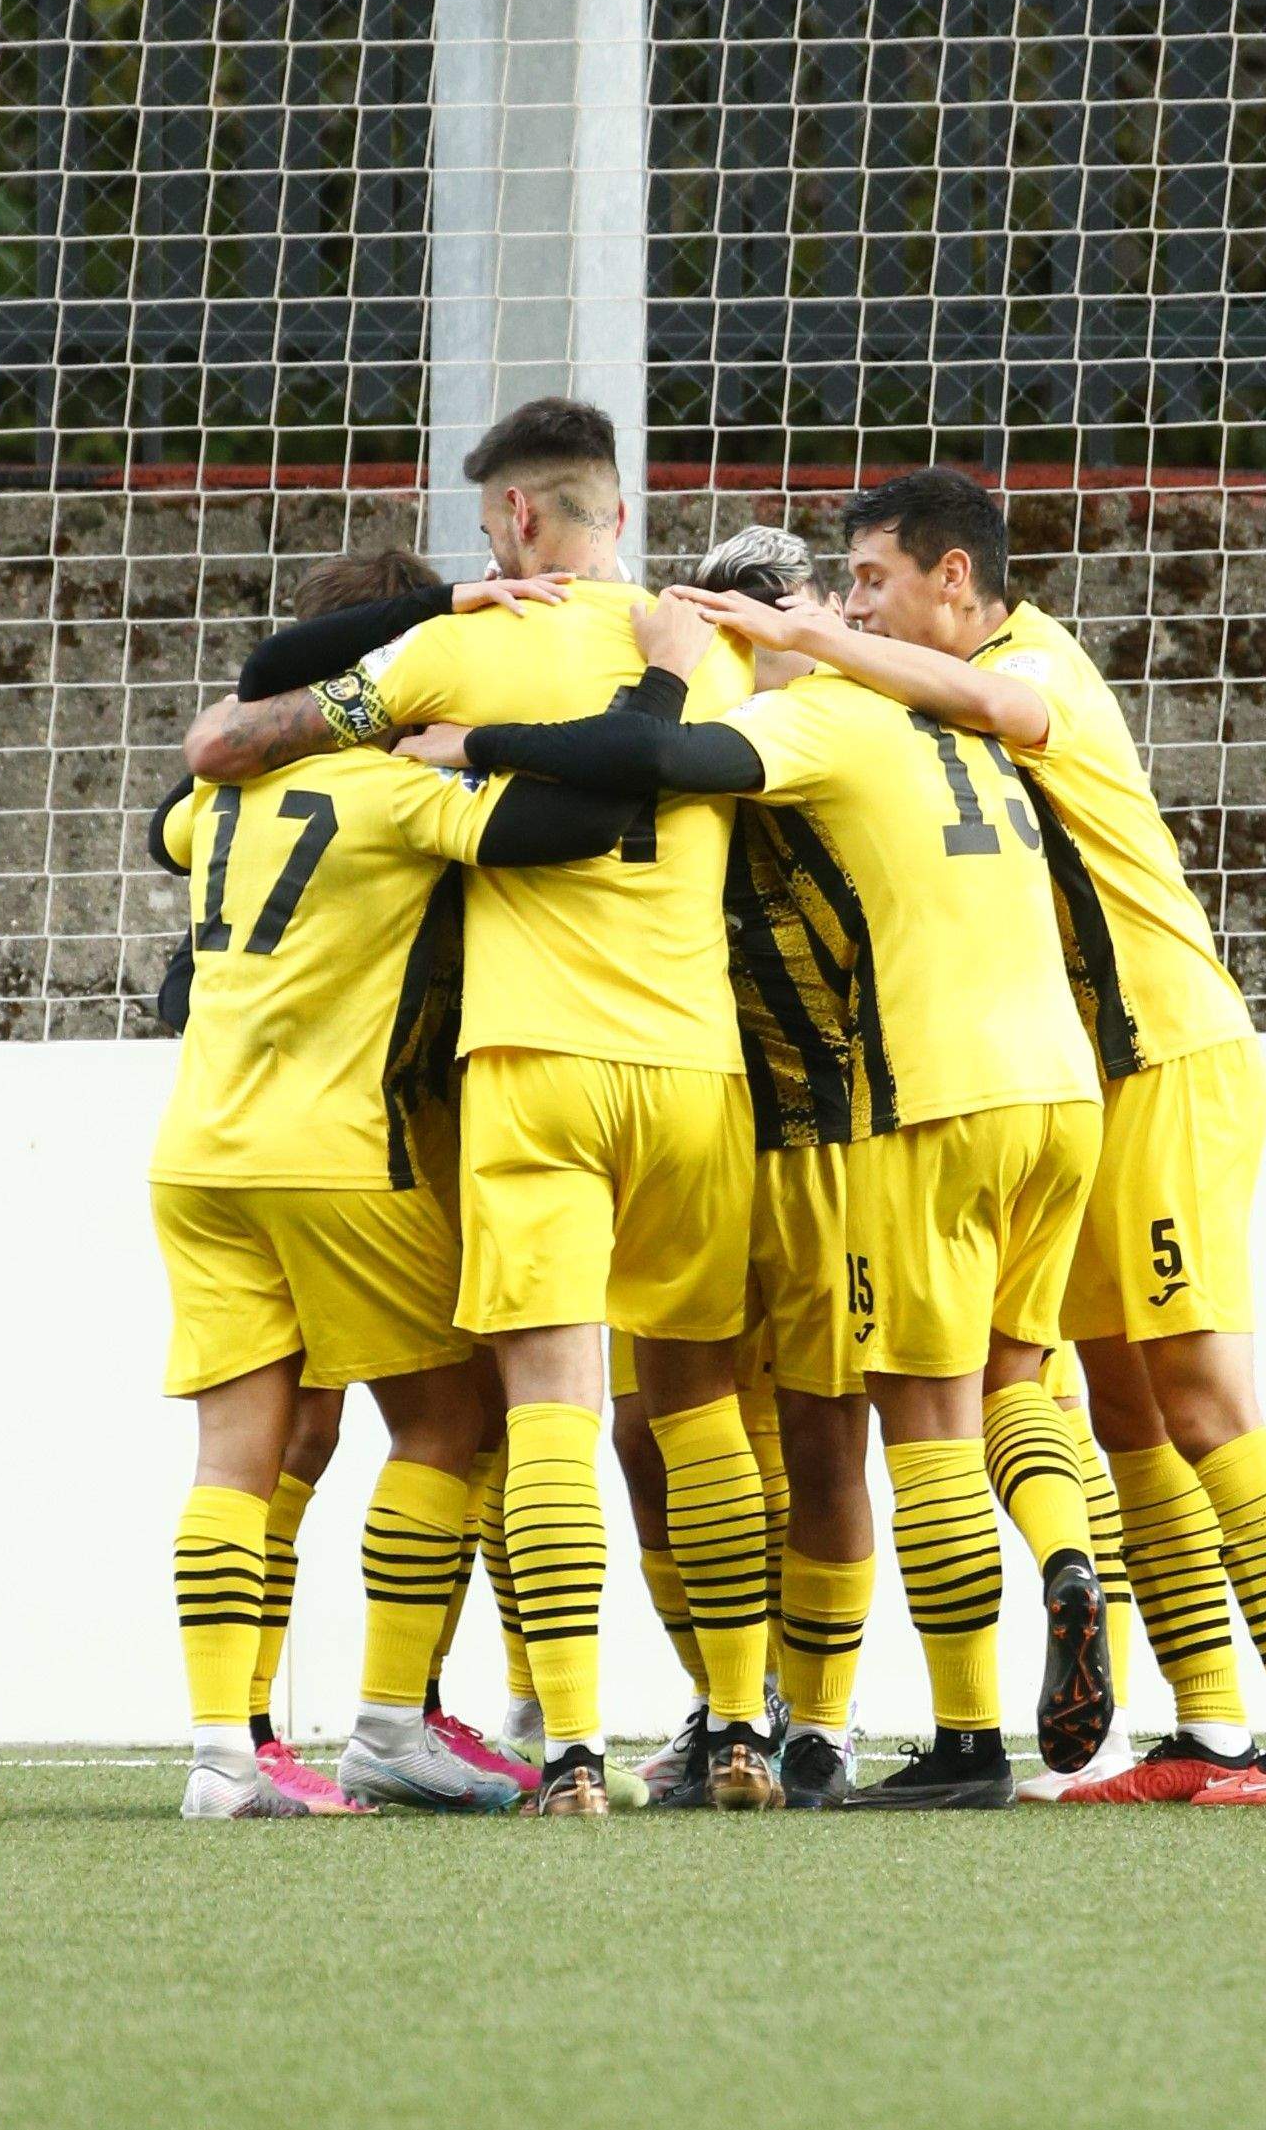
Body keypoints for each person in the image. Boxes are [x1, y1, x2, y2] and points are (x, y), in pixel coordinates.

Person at [680, 470, 1266, 1807]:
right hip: (1077, 1075)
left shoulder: (1024, 655)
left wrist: (810, 639)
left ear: (953, 579)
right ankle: (1209, 1725)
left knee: (1201, 1389)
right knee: (1120, 1404)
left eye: (871, 581)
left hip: (1163, 1047)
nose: (855, 606)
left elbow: (1004, 710)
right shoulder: (913, 701)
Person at [421, 561, 1111, 1810]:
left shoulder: (794, 733)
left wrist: (477, 735)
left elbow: (645, 760)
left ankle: (802, 1725)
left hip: (821, 1128)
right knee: (963, 1395)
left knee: (800, 1429)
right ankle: (777, 1715)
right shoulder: (958, 714)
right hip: (1013, 1090)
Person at [181, 399, 769, 1816]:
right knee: (685, 1412)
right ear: (615, 511)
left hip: (462, 1087)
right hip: (693, 1068)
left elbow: (236, 726)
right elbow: (636, 808)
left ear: (509, 521)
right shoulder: (722, 650)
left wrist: (462, 722)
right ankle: (743, 1723)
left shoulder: (432, 666)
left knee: (510, 1415)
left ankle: (531, 1738)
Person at [149, 550, 657, 1819]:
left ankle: (225, 1751)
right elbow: (581, 824)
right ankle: (387, 1721)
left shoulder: (202, 811)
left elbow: (197, 781)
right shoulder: (395, 796)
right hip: (339, 1159)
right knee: (454, 1422)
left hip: (198, 1157)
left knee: (237, 1454)